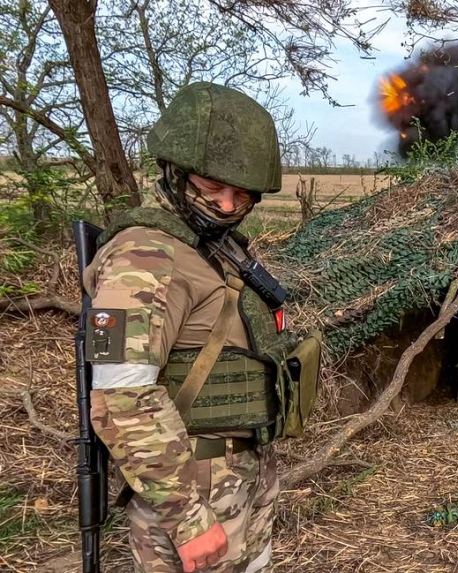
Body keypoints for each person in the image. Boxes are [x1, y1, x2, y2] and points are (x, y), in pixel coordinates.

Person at [84, 82, 299, 573]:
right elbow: (122, 399)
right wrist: (188, 520)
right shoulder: (146, 256)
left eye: (241, 193)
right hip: (194, 490)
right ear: (175, 172)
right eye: (210, 185)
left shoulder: (210, 246)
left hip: (239, 474)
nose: (226, 205)